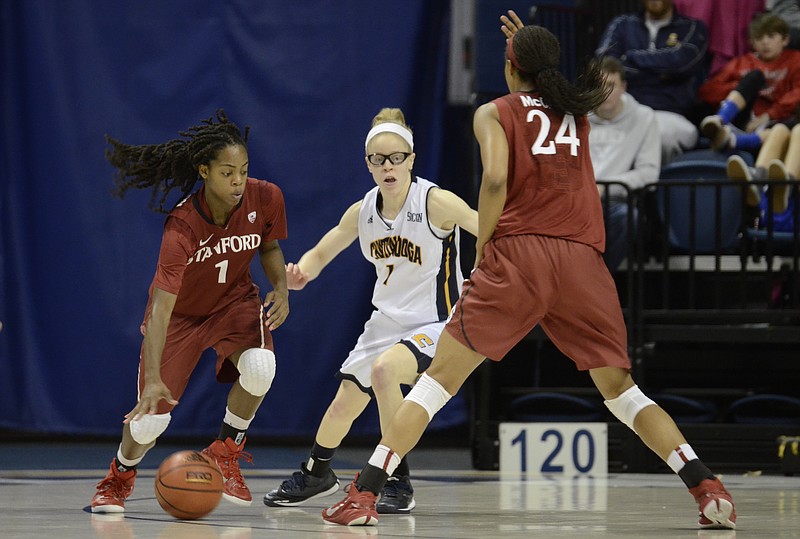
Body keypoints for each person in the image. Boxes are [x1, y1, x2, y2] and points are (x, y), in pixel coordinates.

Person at [321, 13, 737, 530]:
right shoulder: (577, 114)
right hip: (582, 259)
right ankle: (706, 486)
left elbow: (496, 179)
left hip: (519, 255)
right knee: (624, 393)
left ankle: (363, 495)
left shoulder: (493, 111)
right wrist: (527, 46)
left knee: (436, 384)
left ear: (509, 67)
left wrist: (487, 245)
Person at [262, 108, 478, 514]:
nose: (388, 166)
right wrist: (303, 271)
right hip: (386, 321)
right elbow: (328, 245)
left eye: (396, 157)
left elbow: (487, 226)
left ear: (411, 159)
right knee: (345, 400)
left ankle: (397, 478)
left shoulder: (435, 202)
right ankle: (317, 473)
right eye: (378, 160)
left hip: (437, 322)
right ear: (368, 164)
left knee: (385, 372)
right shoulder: (364, 211)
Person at [91, 110, 289, 512]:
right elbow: (161, 311)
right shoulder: (182, 225)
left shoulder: (266, 196)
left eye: (244, 170)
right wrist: (152, 382)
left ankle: (225, 451)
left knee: (260, 368)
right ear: (204, 170)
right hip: (181, 317)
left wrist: (281, 288)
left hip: (234, 302)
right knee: (151, 420)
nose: (238, 181)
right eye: (227, 172)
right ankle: (118, 478)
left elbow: (268, 246)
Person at [595, 0, 708, 164]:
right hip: (626, 112)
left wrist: (631, 57)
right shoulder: (622, 24)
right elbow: (604, 63)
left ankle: (651, 189)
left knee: (659, 136)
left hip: (671, 114)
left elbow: (681, 64)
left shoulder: (693, 27)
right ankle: (618, 188)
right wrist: (661, 73)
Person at [589, 56, 661, 272]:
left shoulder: (644, 117)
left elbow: (648, 172)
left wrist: (606, 187)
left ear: (623, 87)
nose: (605, 92)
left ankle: (598, 279)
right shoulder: (575, 115)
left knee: (626, 217)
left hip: (615, 202)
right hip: (578, 200)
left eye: (611, 86)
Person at [698, 13, 800, 152]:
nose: (765, 42)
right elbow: (708, 90)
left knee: (784, 128)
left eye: (771, 36)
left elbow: (797, 94)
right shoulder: (742, 62)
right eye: (759, 38)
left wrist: (769, 115)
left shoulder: (795, 60)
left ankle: (733, 142)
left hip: (774, 121)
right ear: (752, 43)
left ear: (785, 39)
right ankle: (720, 120)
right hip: (739, 118)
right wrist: (741, 88)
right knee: (755, 77)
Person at [727, 122, 799, 226]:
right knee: (779, 129)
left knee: (798, 131)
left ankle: (786, 186)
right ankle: (757, 181)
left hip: (793, 213)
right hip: (771, 208)